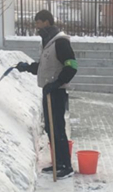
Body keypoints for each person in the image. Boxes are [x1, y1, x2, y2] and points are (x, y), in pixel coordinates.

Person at [16, 10, 77, 179]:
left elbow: (72, 66)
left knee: (58, 128)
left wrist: (57, 83)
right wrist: (27, 67)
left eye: (38, 22)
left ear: (46, 22)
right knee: (50, 128)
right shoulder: (47, 42)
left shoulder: (60, 42)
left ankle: (66, 166)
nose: (36, 25)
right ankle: (57, 163)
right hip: (49, 91)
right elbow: (45, 67)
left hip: (57, 92)